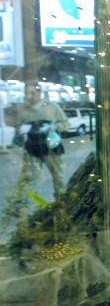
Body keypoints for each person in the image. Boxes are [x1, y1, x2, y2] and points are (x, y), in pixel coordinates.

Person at [11, 82, 69, 210]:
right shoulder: (23, 111)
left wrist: (54, 127)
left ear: (39, 93)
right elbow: (18, 128)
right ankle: (21, 205)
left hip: (51, 148)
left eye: (33, 93)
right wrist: (20, 130)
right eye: (27, 93)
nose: (30, 96)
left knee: (58, 176)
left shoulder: (52, 107)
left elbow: (66, 123)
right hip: (32, 149)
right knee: (28, 178)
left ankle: (61, 202)